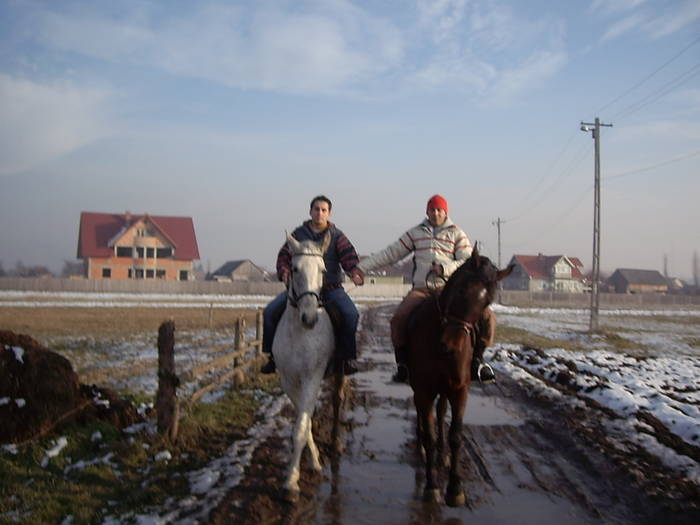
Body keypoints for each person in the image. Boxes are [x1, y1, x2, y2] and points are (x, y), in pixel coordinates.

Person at [355, 194, 497, 384]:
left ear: (446, 212)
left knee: (488, 317)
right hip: (421, 290)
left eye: (439, 210)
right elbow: (391, 253)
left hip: (449, 291)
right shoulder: (416, 233)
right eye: (432, 209)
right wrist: (362, 267)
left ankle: (478, 361)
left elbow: (466, 261)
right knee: (398, 319)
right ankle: (403, 365)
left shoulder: (457, 233)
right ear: (427, 212)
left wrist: (445, 269)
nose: (435, 213)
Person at [260, 195, 365, 376]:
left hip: (331, 288)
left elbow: (349, 257)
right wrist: (284, 272)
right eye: (316, 209)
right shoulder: (298, 234)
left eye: (324, 210)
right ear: (310, 212)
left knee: (351, 314)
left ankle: (346, 358)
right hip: (301, 290)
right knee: (269, 312)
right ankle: (271, 357)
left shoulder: (337, 236)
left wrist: (354, 272)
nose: (319, 213)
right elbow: (284, 257)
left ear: (329, 214)